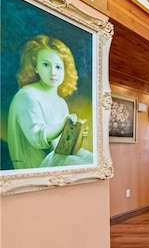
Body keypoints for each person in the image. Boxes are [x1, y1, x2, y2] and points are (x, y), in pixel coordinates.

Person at [7, 34, 92, 169]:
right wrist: (63, 125)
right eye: (46, 65)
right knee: (81, 164)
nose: (53, 72)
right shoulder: (27, 95)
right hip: (37, 167)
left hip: (56, 158)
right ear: (36, 67)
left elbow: (61, 146)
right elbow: (37, 139)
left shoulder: (61, 102)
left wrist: (75, 134)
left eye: (58, 67)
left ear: (65, 70)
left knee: (91, 159)